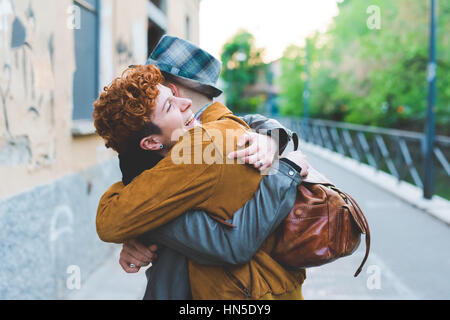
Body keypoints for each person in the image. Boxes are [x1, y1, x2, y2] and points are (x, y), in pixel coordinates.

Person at [93, 36, 309, 300]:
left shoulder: (202, 144)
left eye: (170, 94)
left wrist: (284, 162)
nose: (180, 102)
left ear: (173, 86)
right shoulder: (216, 131)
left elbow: (111, 219)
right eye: (168, 100)